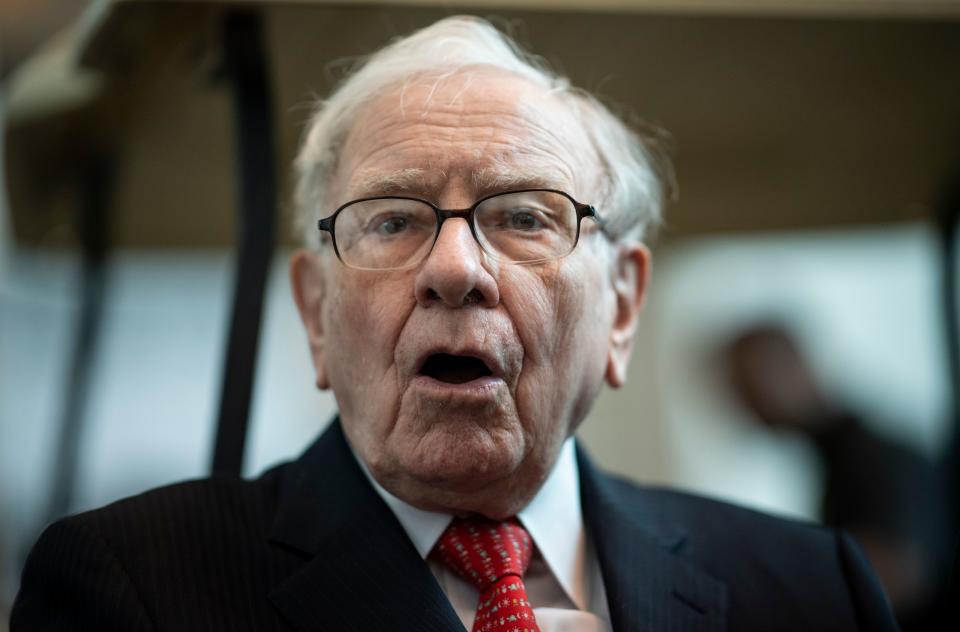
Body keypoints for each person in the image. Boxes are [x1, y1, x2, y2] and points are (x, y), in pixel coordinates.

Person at [11, 16, 897, 631]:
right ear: (317, 316)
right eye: (392, 220)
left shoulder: (812, 589)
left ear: (622, 307)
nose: (454, 269)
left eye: (523, 217)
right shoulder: (131, 590)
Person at [723, 323, 950, 631]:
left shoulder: (872, 454)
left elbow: (896, 574)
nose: (748, 402)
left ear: (796, 364)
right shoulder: (838, 459)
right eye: (739, 389)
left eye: (751, 383)